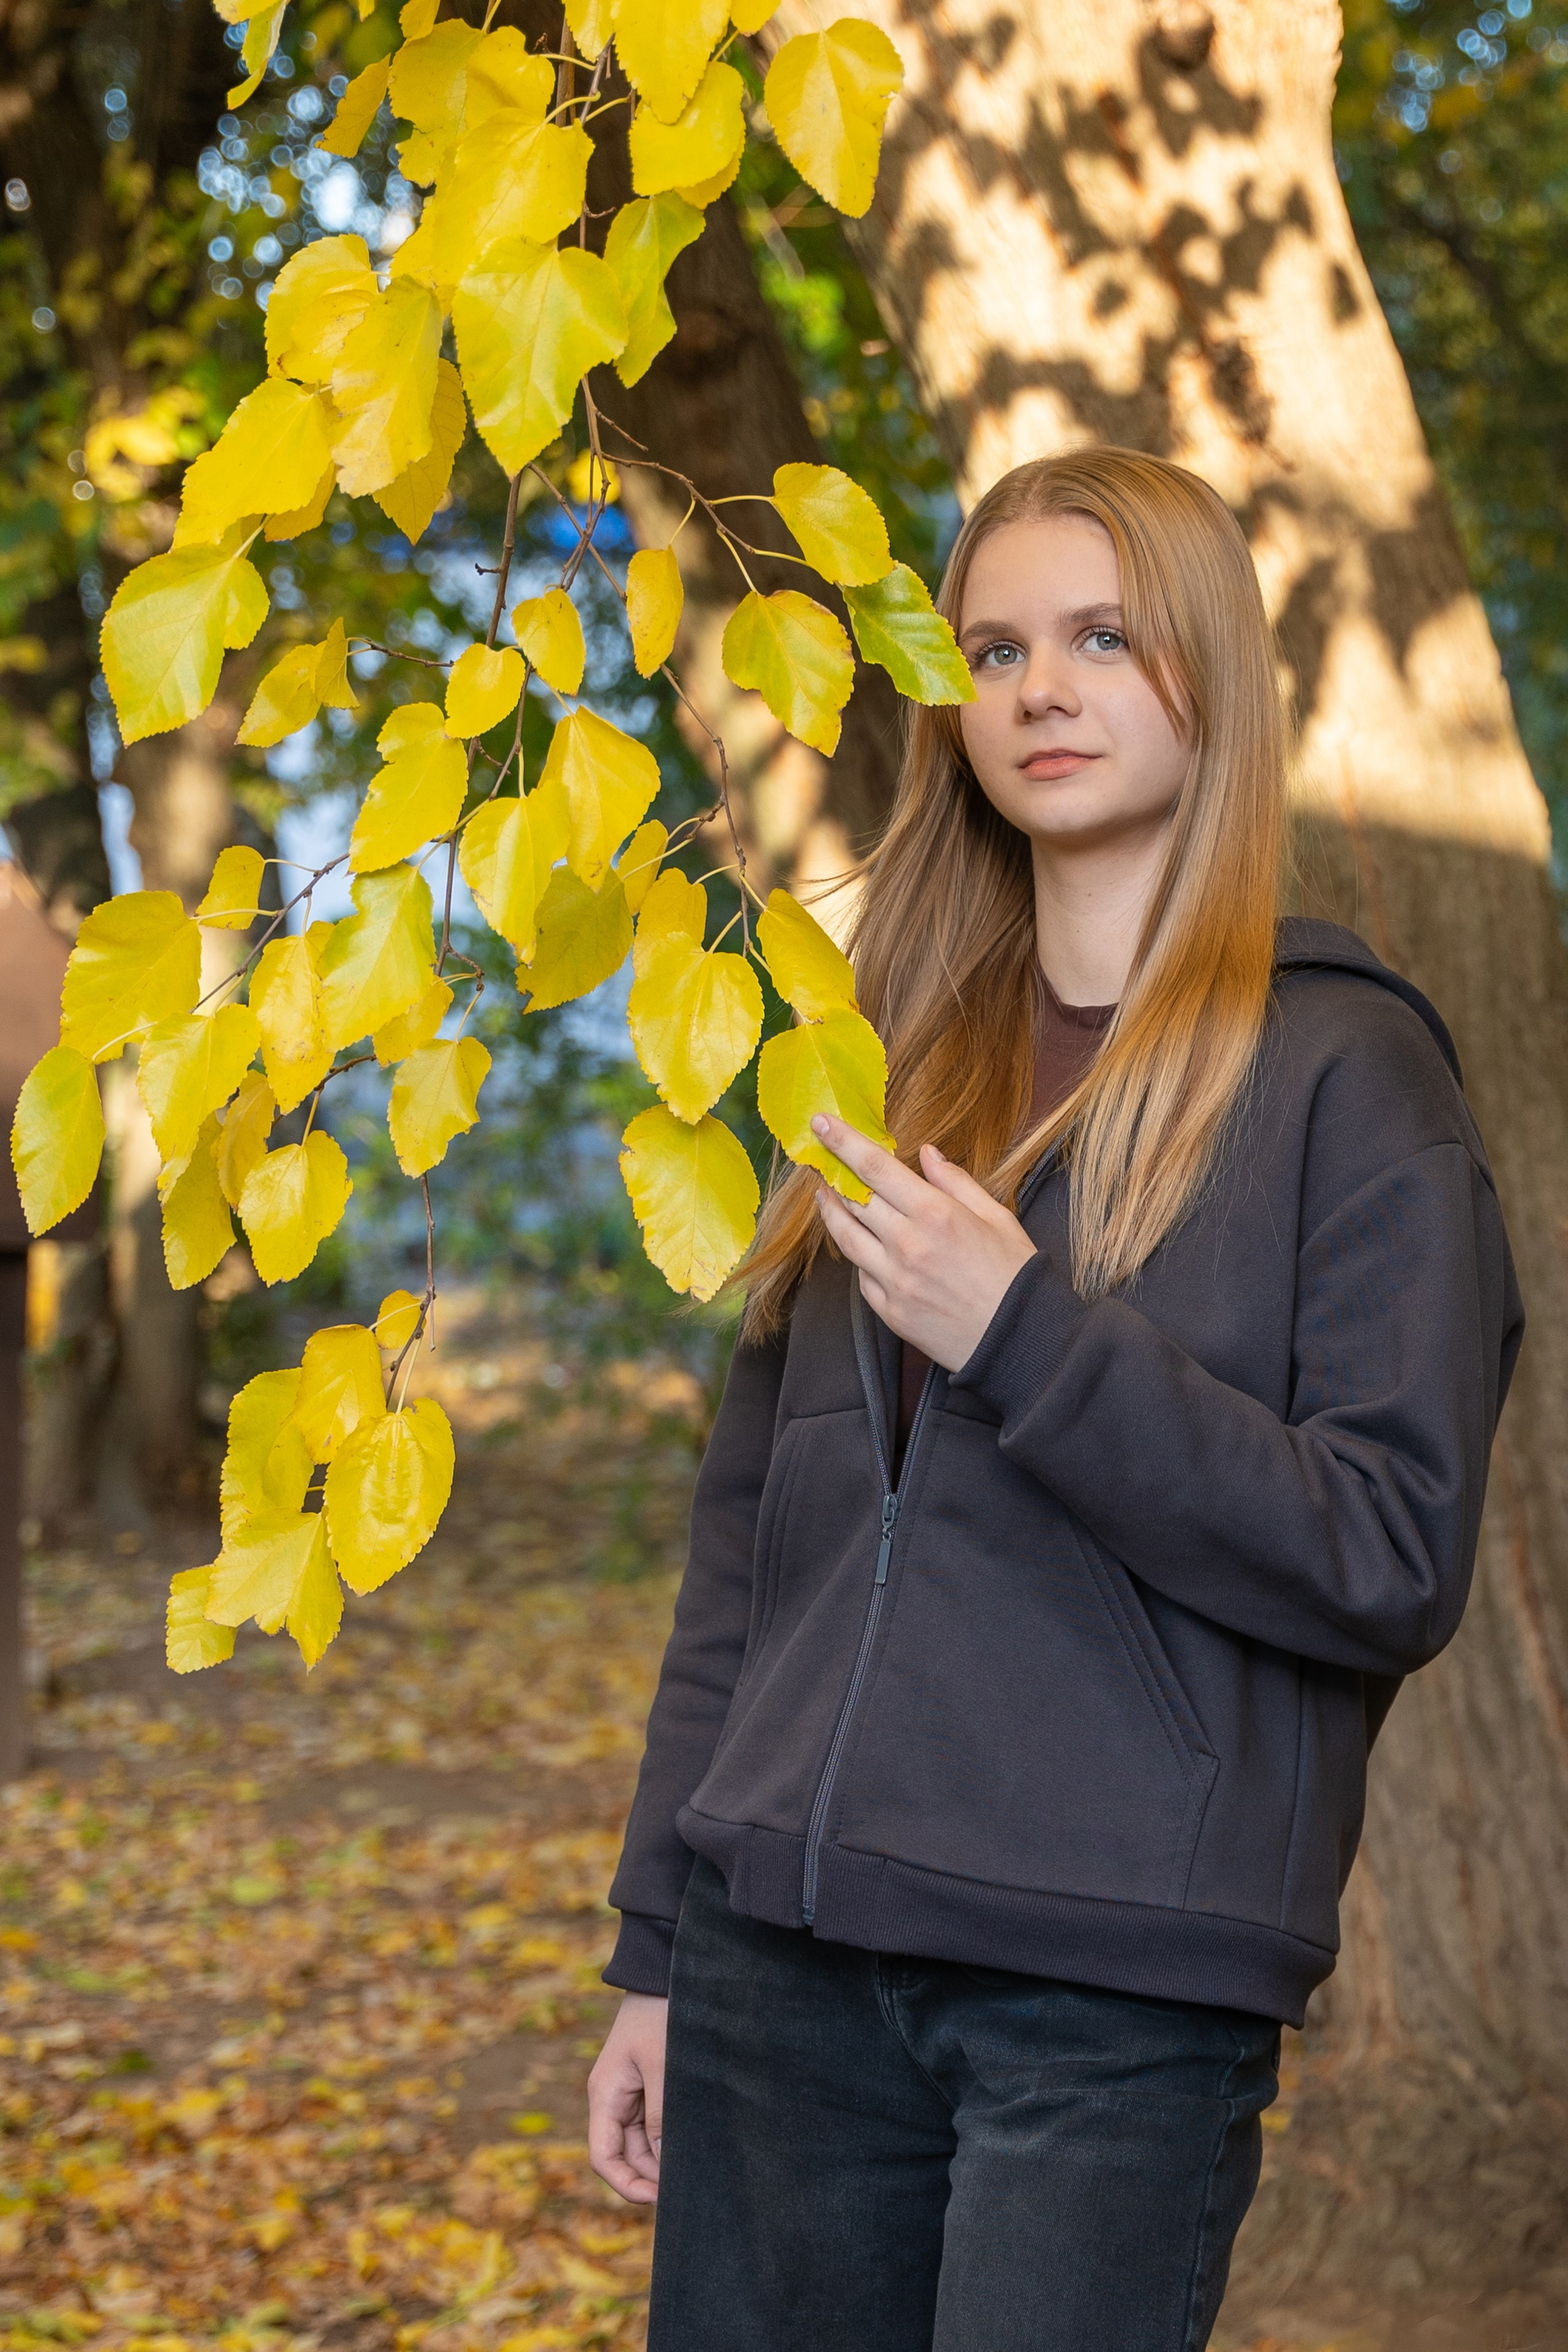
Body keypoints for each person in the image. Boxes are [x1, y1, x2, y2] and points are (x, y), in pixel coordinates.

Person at [586, 448, 1523, 2351]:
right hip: (787, 1962)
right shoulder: (890, 1064)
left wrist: (1025, 1336)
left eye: (1103, 636)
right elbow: (752, 1553)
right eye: (995, 646)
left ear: (1210, 678)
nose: (1040, 688)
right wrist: (661, 1949)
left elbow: (1390, 1551)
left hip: (1106, 2000)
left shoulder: (1353, 1078)